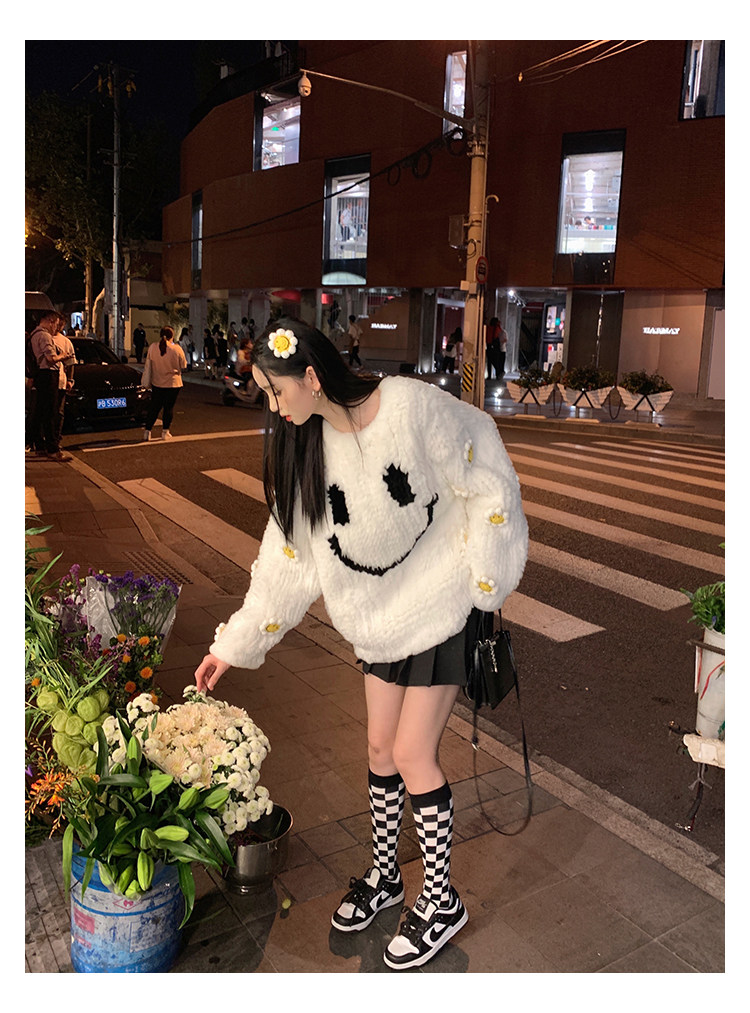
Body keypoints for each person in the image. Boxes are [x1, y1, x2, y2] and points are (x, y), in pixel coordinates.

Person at [194, 317, 528, 970]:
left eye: (276, 391)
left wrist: (488, 572)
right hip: (379, 620)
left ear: (310, 376)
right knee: (378, 747)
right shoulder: (307, 451)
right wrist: (233, 644)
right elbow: (286, 562)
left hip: (441, 605)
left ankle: (442, 899)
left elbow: (483, 464)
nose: (274, 406)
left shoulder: (407, 406)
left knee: (411, 752)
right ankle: (386, 876)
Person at [29, 309, 72, 462]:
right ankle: (53, 449)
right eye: (56, 324)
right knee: (50, 412)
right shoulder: (45, 335)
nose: (56, 328)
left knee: (40, 412)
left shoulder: (34, 334)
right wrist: (63, 356)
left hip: (40, 375)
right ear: (50, 321)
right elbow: (51, 358)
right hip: (48, 375)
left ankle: (39, 446)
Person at [141, 326, 187, 441]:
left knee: (154, 407)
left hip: (157, 382)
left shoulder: (153, 347)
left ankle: (147, 431)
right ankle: (165, 432)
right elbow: (183, 365)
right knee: (168, 408)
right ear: (172, 336)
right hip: (173, 383)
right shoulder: (177, 349)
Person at [52, 313, 75, 447]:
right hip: (45, 382)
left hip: (60, 381)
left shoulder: (66, 342)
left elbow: (71, 363)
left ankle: (56, 439)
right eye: (57, 323)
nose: (58, 326)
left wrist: (70, 380)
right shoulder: (45, 337)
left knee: (59, 413)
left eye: (61, 324)